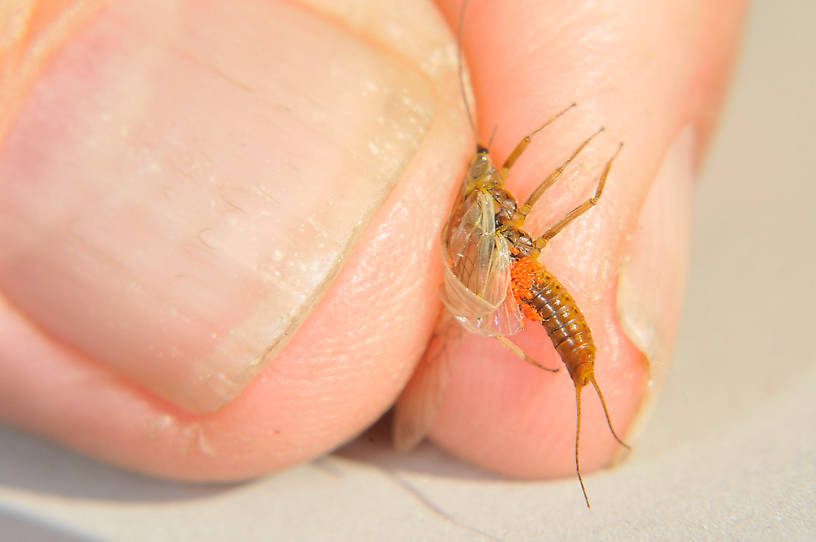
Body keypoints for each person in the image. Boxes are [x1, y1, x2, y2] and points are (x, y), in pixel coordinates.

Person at [0, 0, 745, 480]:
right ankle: (577, 385)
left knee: (556, 254)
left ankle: (579, 380)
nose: (495, 165)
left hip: (523, 275)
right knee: (557, 227)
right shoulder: (498, 206)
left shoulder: (494, 204)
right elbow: (545, 197)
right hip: (524, 274)